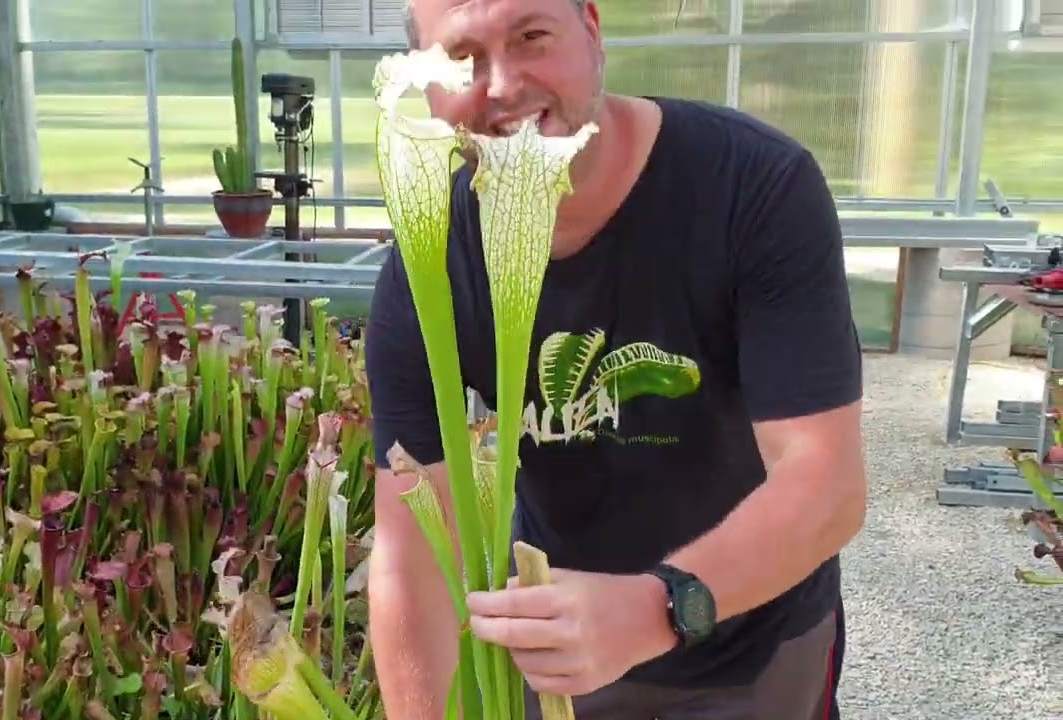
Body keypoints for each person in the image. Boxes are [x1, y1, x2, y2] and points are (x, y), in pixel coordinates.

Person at [363, 0, 868, 718]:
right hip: (566, 653)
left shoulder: (752, 185)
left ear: (592, 31)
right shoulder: (431, 263)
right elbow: (411, 548)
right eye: (462, 59)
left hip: (752, 639)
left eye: (532, 35)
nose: (502, 85)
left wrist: (652, 609)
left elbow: (826, 481)